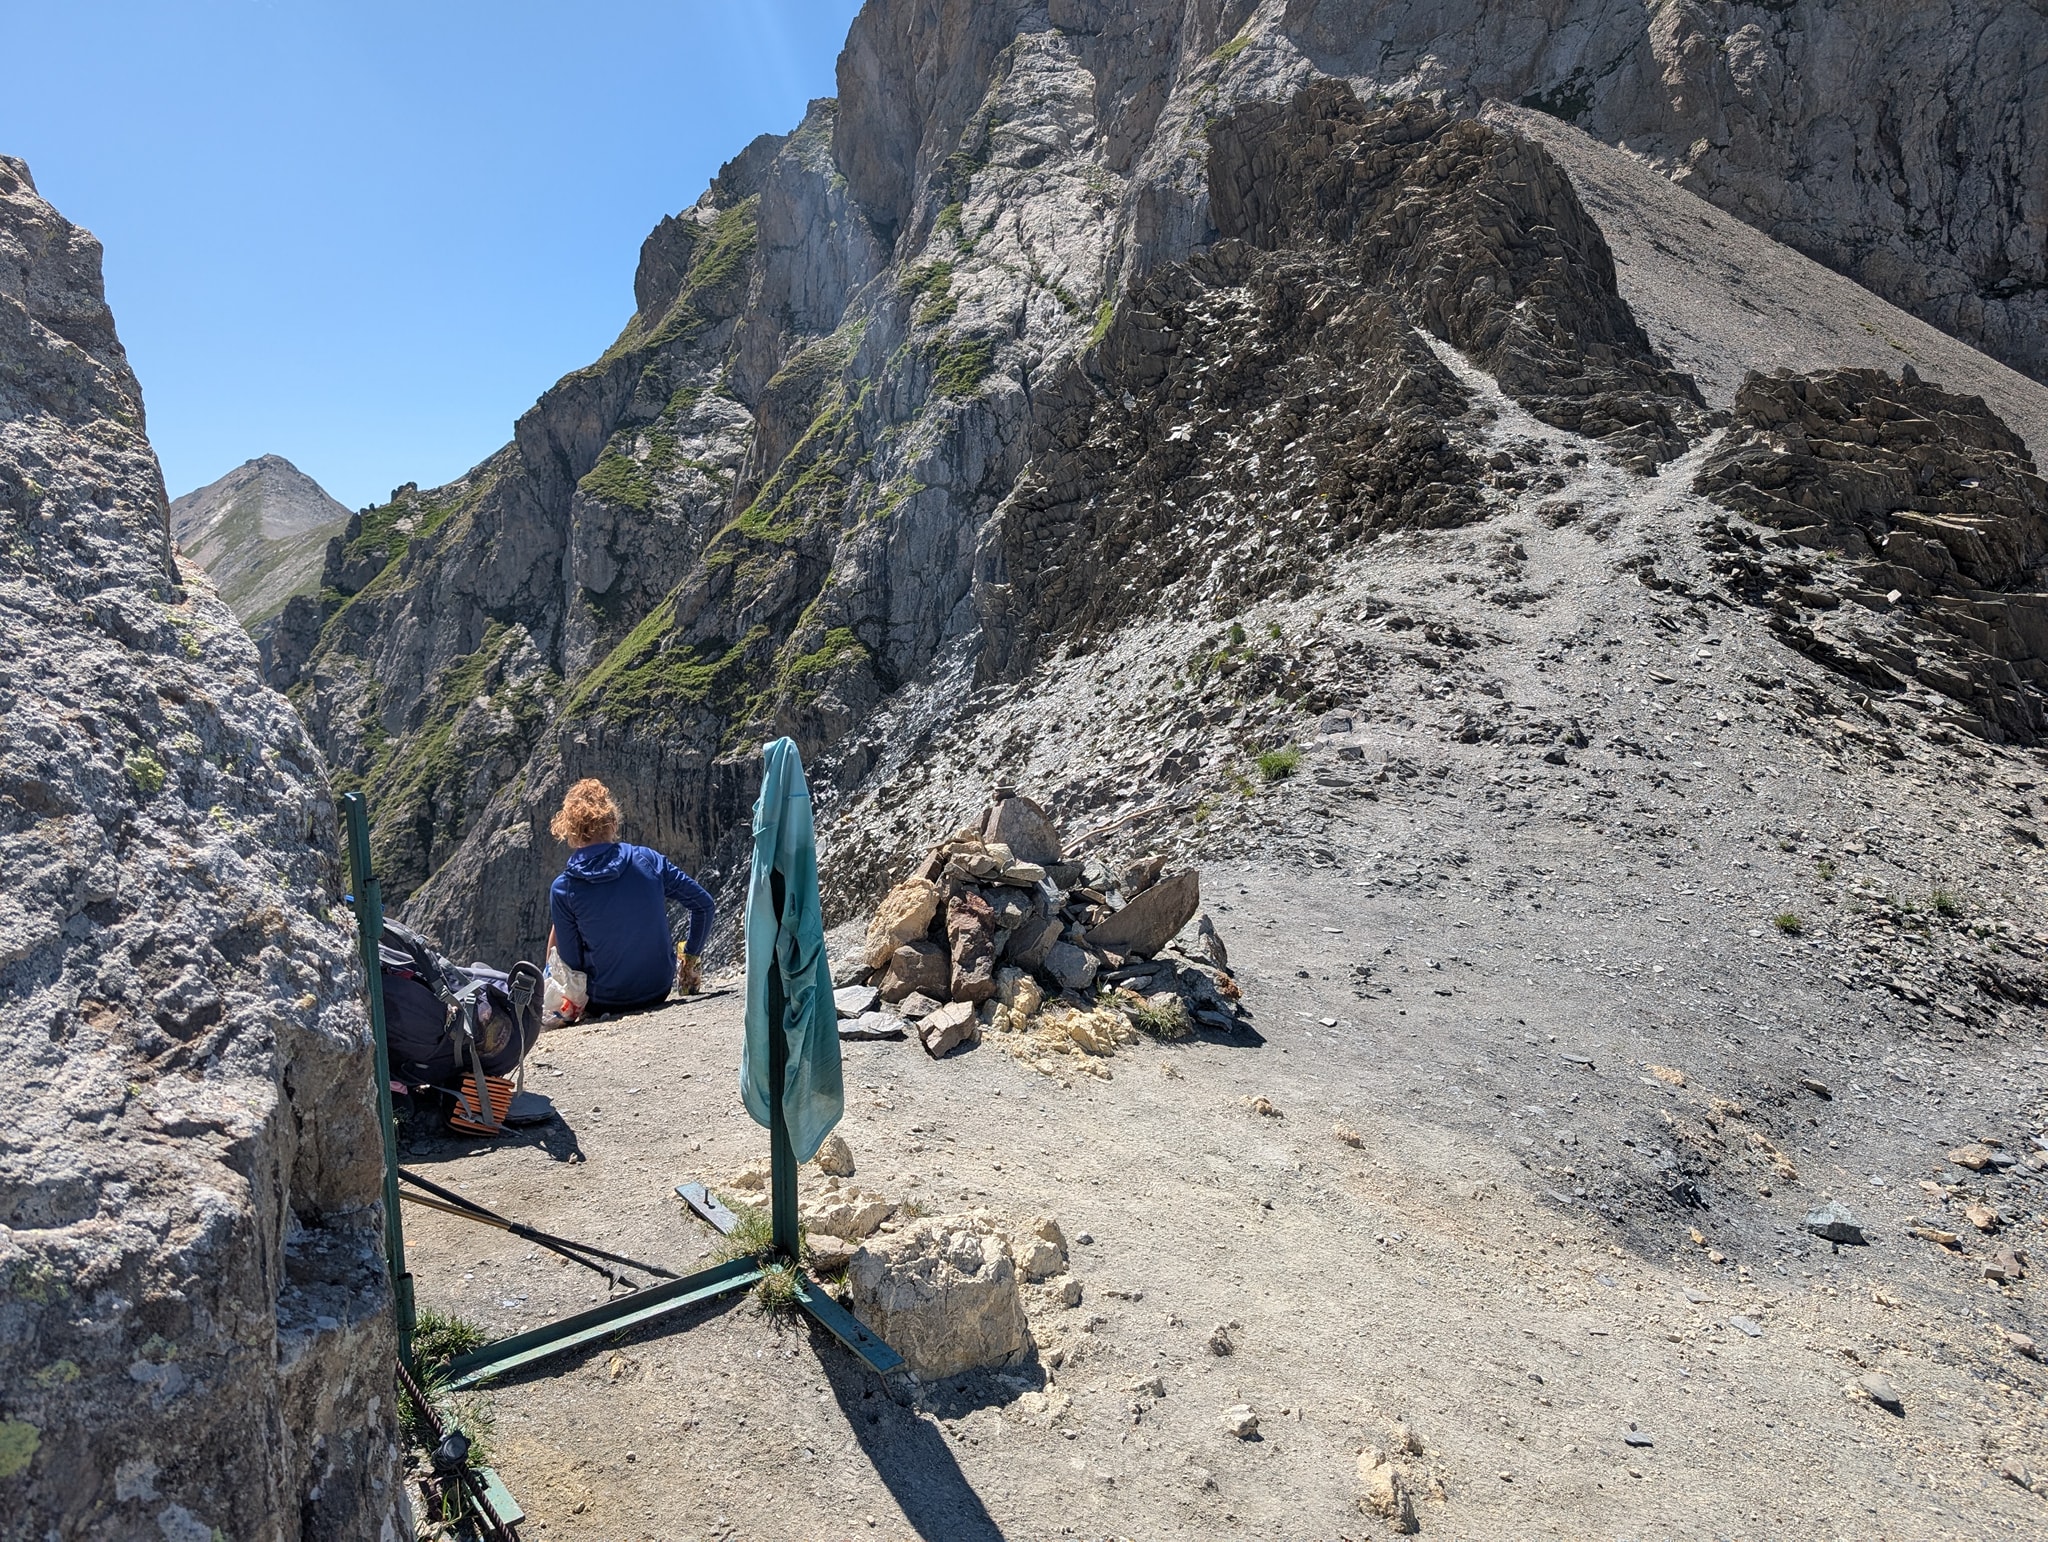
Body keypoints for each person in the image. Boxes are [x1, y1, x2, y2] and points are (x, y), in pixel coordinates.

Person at [547, 778, 714, 1014]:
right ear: (614, 823)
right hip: (658, 988)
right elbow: (704, 905)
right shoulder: (648, 860)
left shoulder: (564, 887)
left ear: (570, 833)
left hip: (604, 999)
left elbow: (572, 966)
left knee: (558, 928)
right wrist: (690, 957)